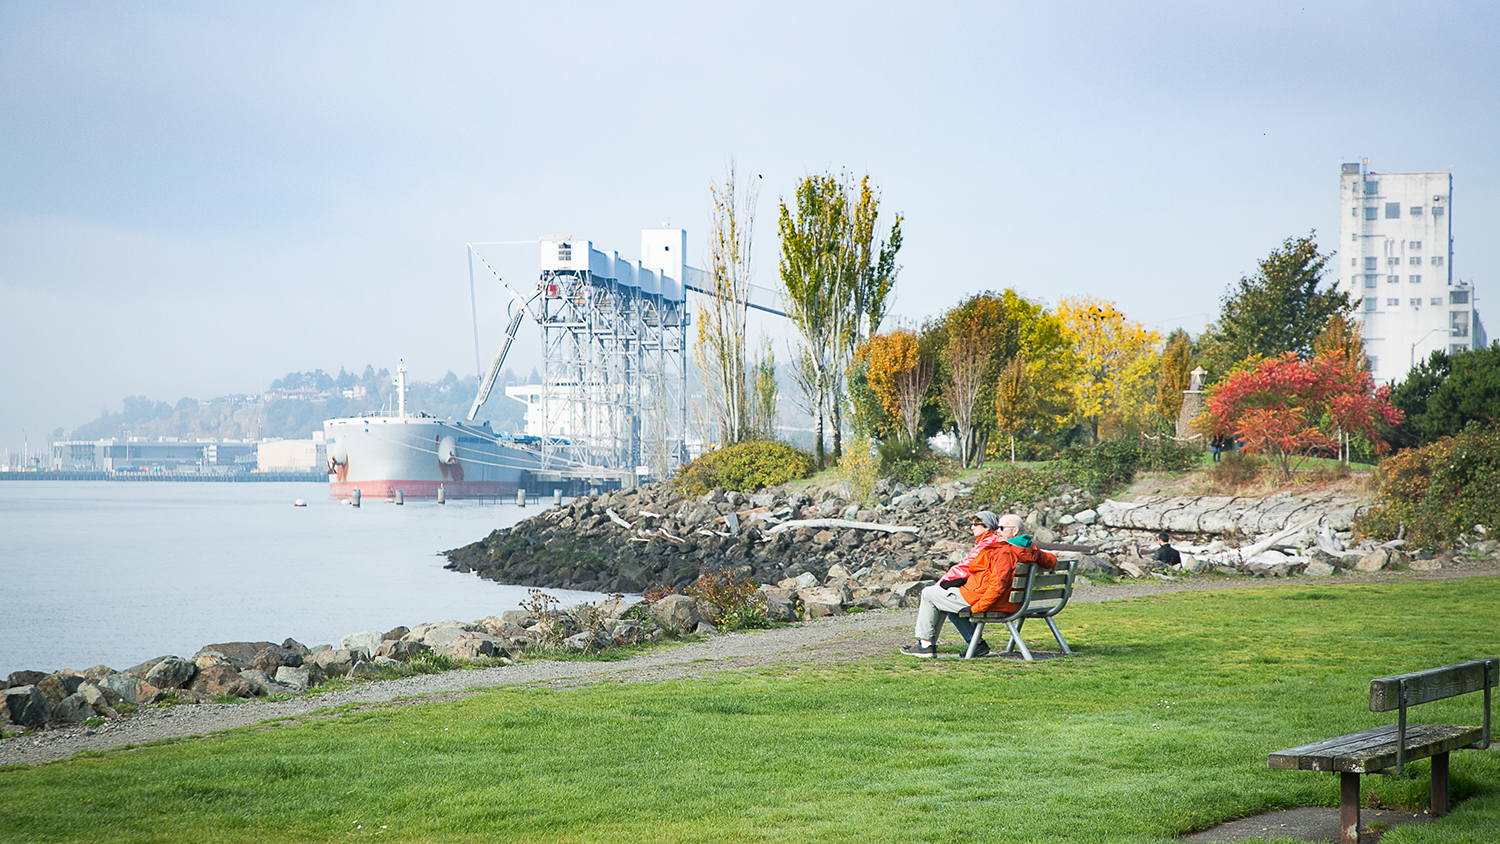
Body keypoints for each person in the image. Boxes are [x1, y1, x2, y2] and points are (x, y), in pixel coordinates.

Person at [901, 511, 1057, 658]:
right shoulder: (1029, 550)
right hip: (1012, 602)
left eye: (1001, 528)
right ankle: (976, 644)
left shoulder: (1004, 553)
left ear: (1014, 531)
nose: (998, 531)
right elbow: (1050, 560)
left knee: (929, 593)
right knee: (945, 598)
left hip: (992, 603)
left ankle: (925, 644)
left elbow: (997, 587)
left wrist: (977, 608)